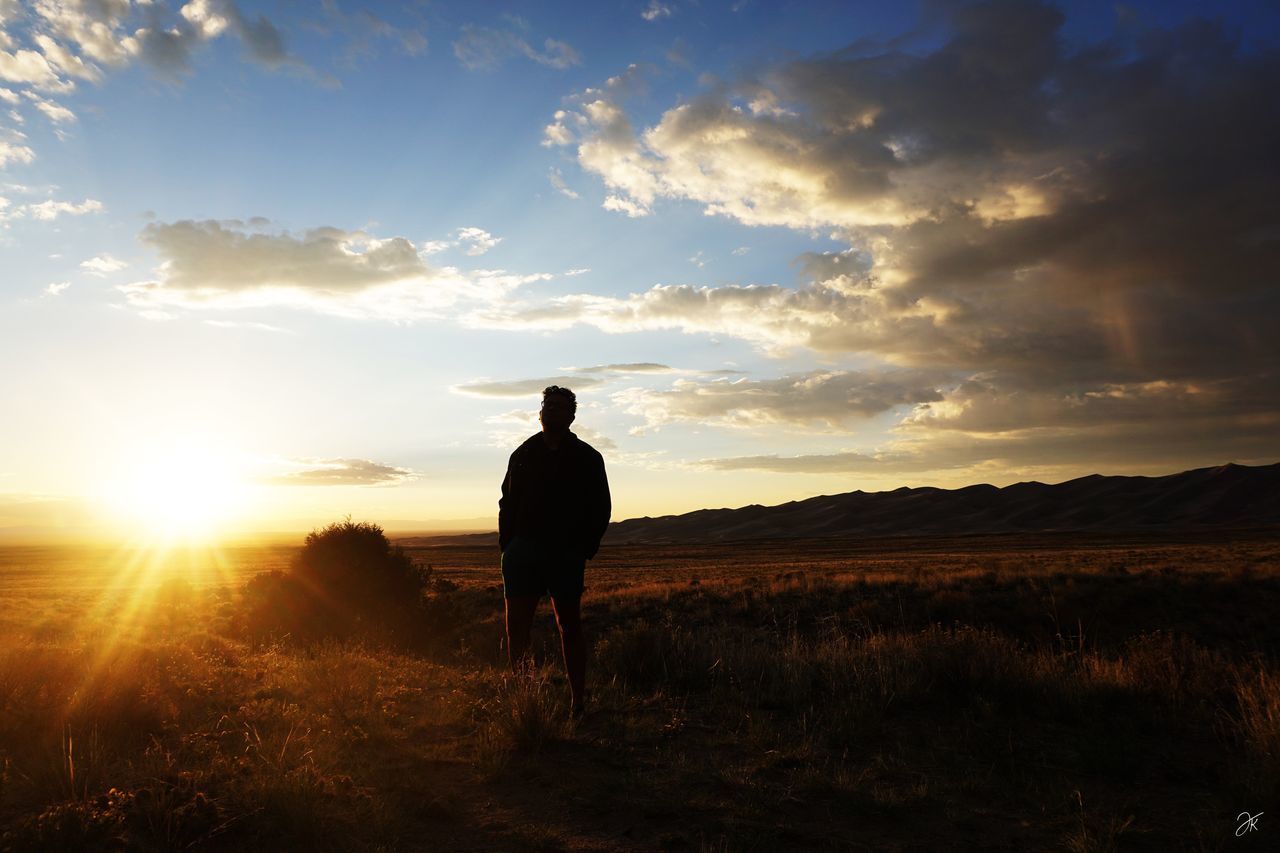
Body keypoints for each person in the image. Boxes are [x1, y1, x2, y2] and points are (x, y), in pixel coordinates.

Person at [498, 385, 611, 718]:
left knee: (569, 626)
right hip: (523, 553)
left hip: (565, 553)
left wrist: (583, 549)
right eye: (548, 405)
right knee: (516, 629)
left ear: (572, 415)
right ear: (540, 412)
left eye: (561, 407)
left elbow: (600, 507)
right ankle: (527, 700)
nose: (553, 411)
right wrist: (509, 546)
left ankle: (578, 702)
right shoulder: (523, 454)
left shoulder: (588, 458)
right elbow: (507, 501)